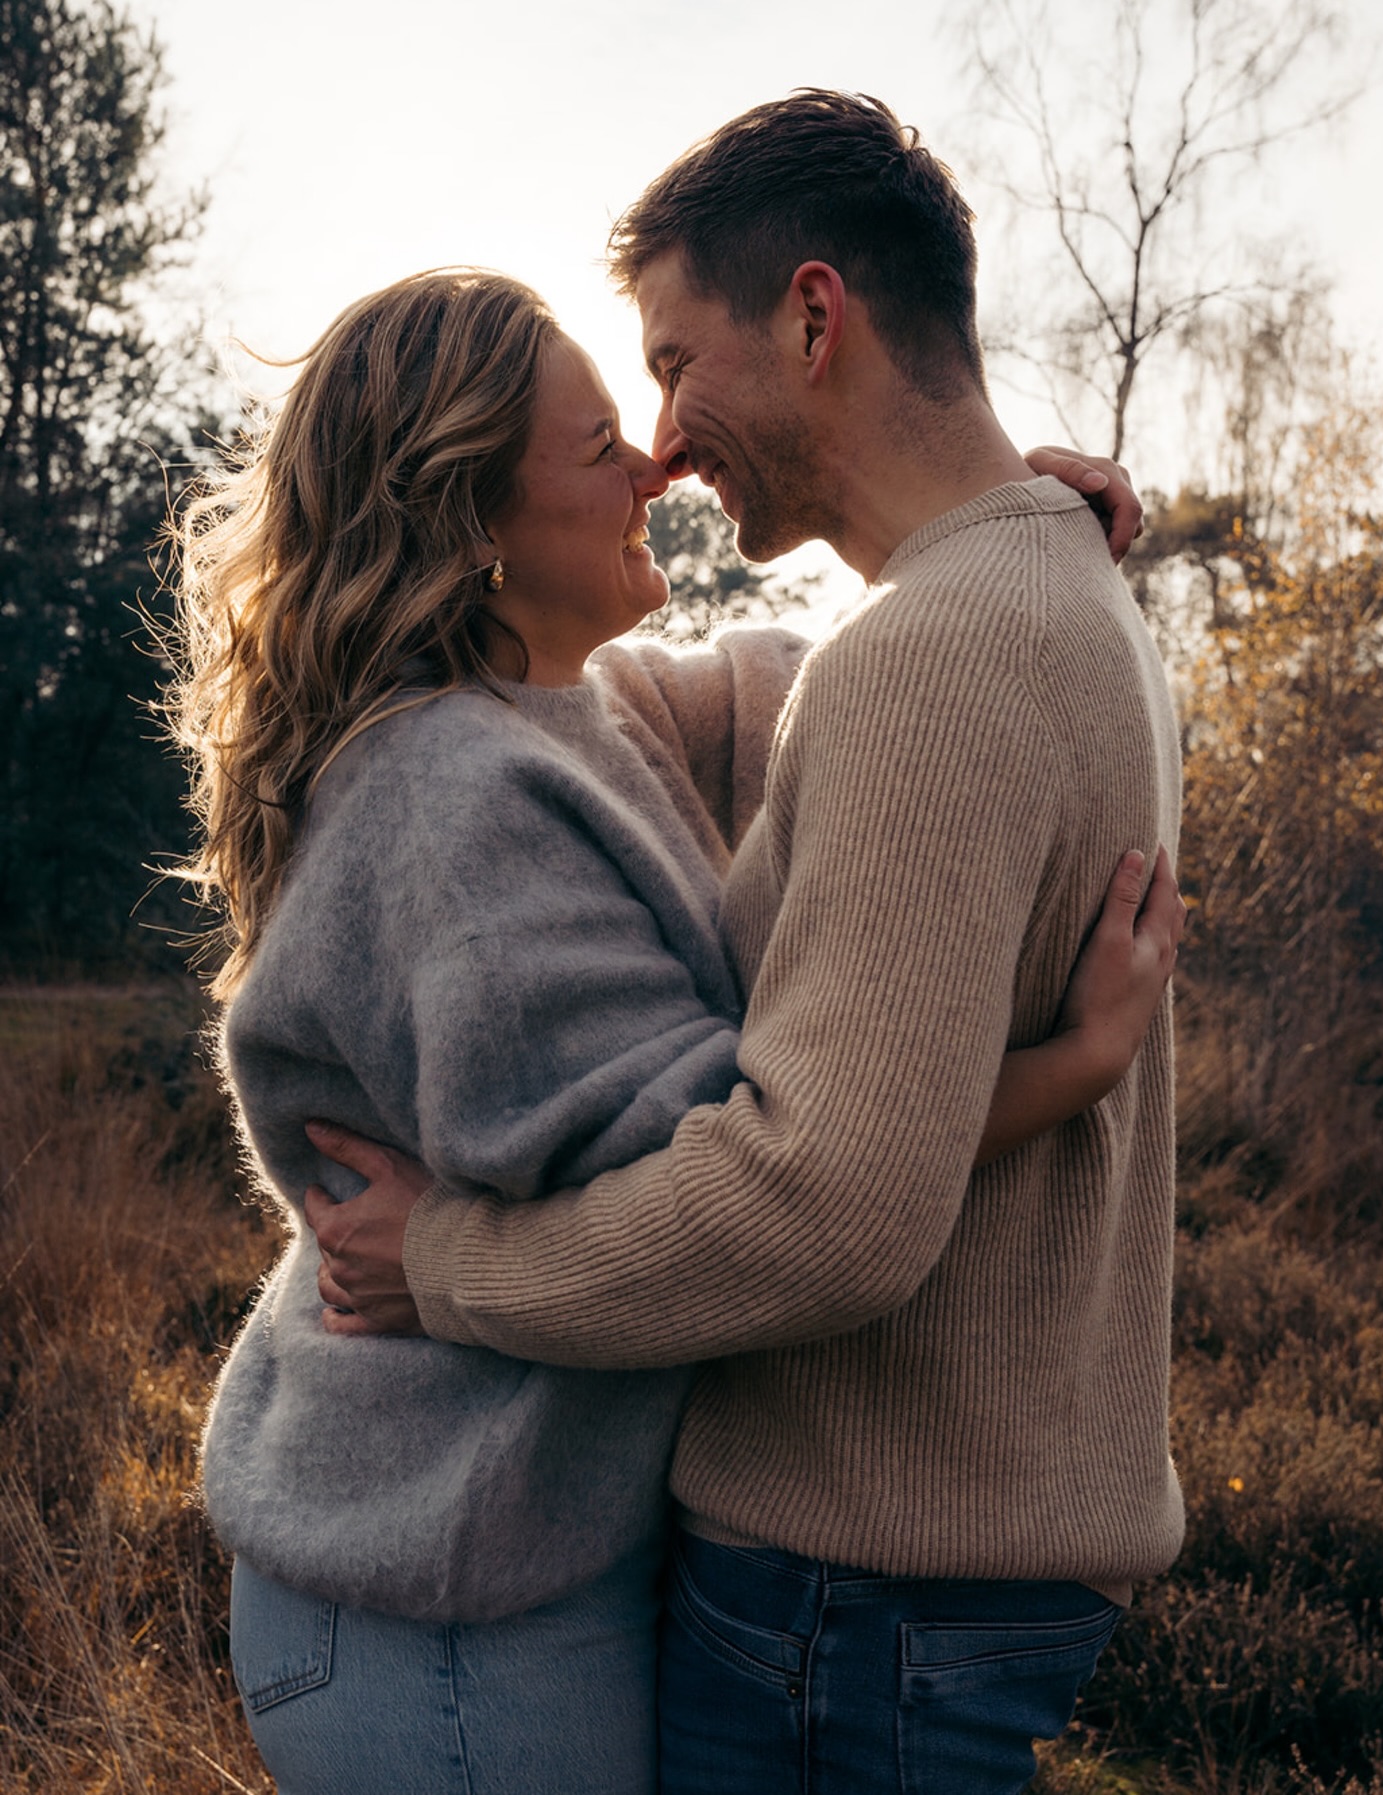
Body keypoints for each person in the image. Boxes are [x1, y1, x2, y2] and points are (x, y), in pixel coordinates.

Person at [168, 263, 1176, 1795]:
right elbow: (770, 1164)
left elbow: (830, 697)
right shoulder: (451, 806)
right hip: (443, 1608)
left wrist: (990, 528)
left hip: (500, 1558)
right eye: (600, 448)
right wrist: (1069, 1069)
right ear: (475, 527)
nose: (655, 464)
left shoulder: (565, 708)